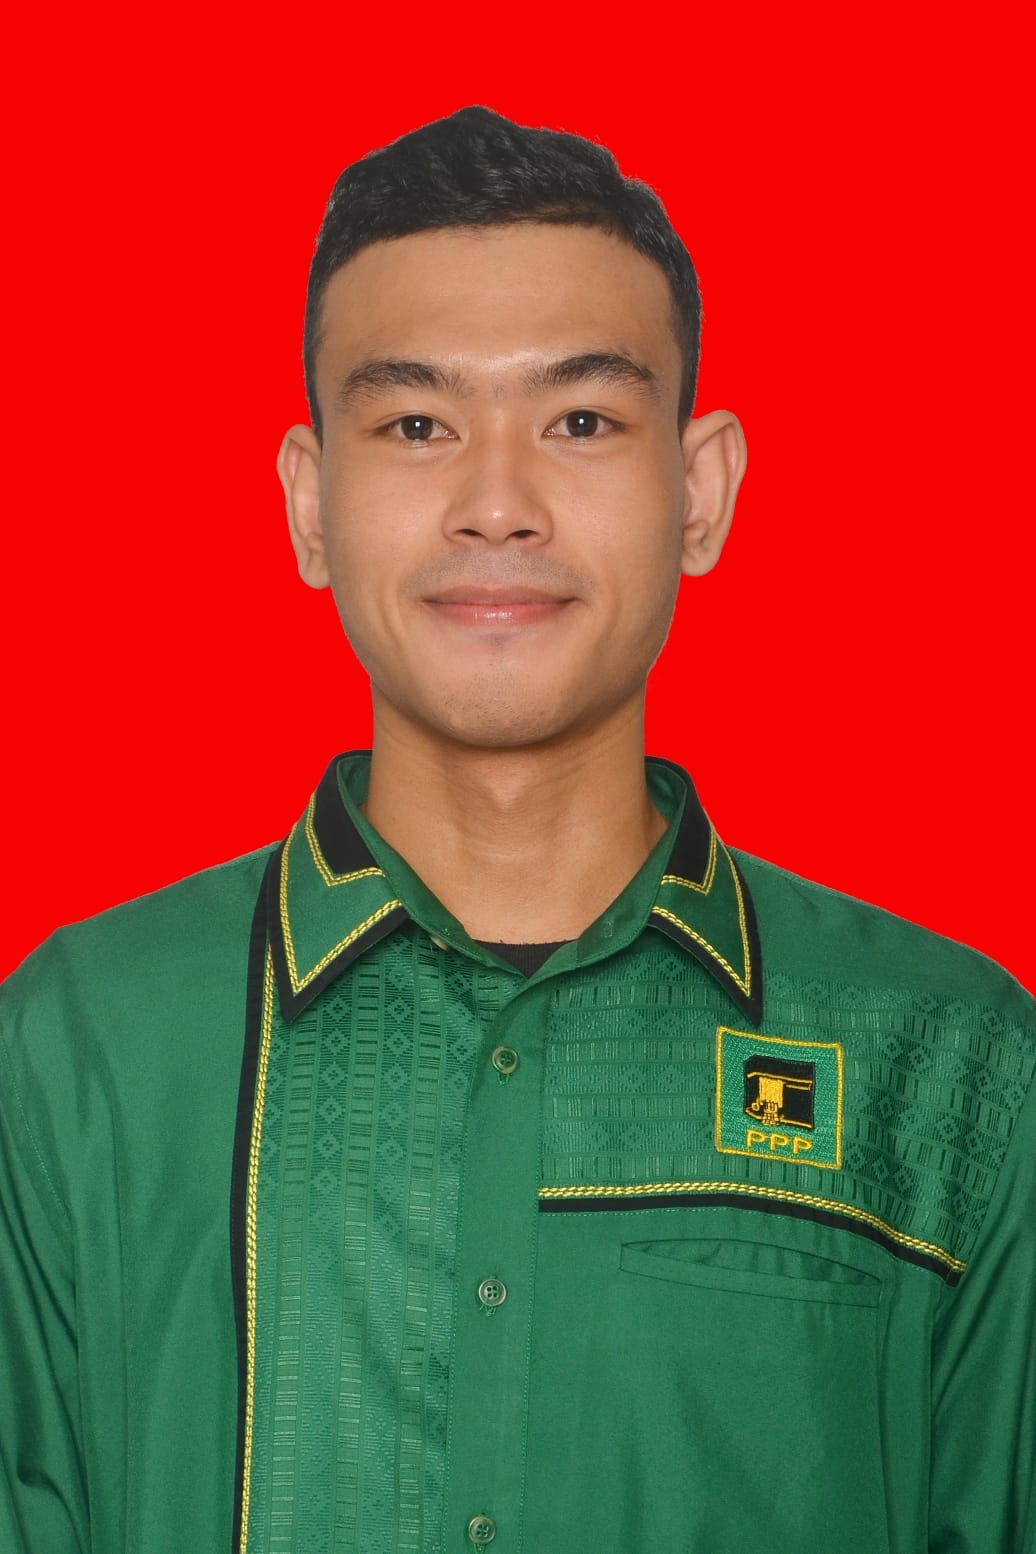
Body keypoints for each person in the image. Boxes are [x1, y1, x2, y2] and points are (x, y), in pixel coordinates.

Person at [0, 105, 1032, 1554]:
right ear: (310, 503)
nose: (497, 505)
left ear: (699, 491)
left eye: (582, 422)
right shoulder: (79, 1052)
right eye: (417, 425)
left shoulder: (953, 1062)